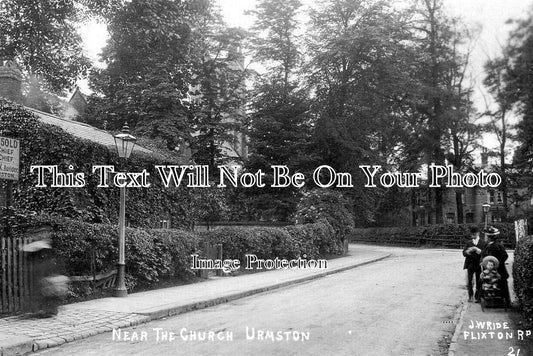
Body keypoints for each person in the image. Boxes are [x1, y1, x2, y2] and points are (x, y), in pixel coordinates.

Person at [481, 226, 510, 306]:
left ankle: (505, 302)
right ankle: (490, 301)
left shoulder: (498, 246)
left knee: (502, 284)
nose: (485, 237)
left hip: (499, 270)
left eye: (486, 236)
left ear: (490, 237)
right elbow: (484, 255)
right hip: (488, 269)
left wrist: (496, 264)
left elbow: (505, 256)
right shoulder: (487, 245)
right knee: (488, 283)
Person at [462, 226, 485, 302]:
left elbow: (484, 253)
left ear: (478, 233)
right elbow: (464, 253)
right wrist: (468, 251)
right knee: (469, 281)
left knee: (479, 280)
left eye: (474, 234)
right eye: (472, 234)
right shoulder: (469, 243)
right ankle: (470, 296)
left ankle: (477, 296)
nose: (473, 236)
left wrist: (477, 250)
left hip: (479, 264)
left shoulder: (482, 242)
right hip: (470, 264)